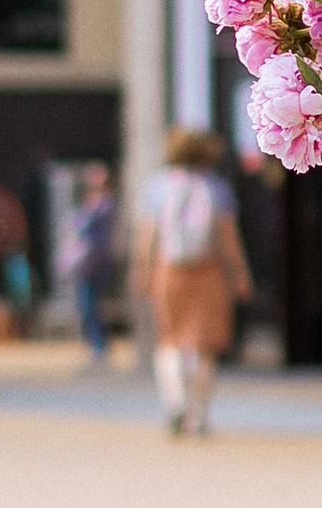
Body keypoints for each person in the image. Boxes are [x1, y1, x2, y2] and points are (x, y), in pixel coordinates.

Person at [130, 127, 250, 437]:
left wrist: (142, 270)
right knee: (204, 345)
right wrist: (239, 273)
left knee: (170, 340)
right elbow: (228, 237)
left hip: (168, 269)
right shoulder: (216, 188)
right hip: (207, 271)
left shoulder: (158, 187)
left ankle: (175, 402)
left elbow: (147, 236)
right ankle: (199, 414)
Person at [68, 162, 119, 363]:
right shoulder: (90, 202)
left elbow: (81, 227)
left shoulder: (104, 204)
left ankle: (99, 345)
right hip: (87, 259)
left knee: (90, 303)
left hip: (95, 260)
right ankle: (95, 343)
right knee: (87, 303)